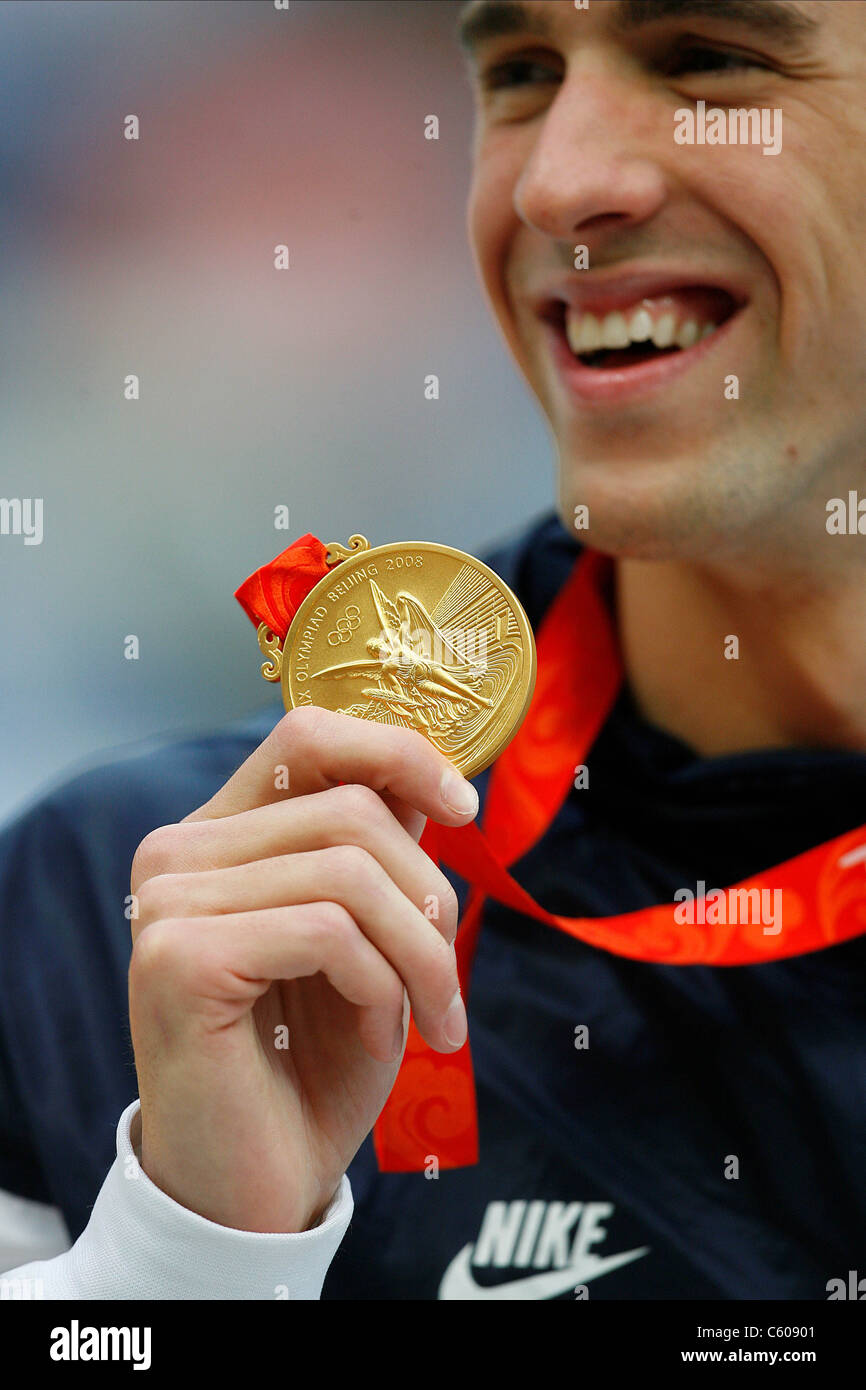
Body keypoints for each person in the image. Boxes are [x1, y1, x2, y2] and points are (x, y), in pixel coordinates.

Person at [1, 0, 864, 1300]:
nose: (559, 181)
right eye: (519, 73)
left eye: (707, 59)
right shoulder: (118, 924)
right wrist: (187, 1259)